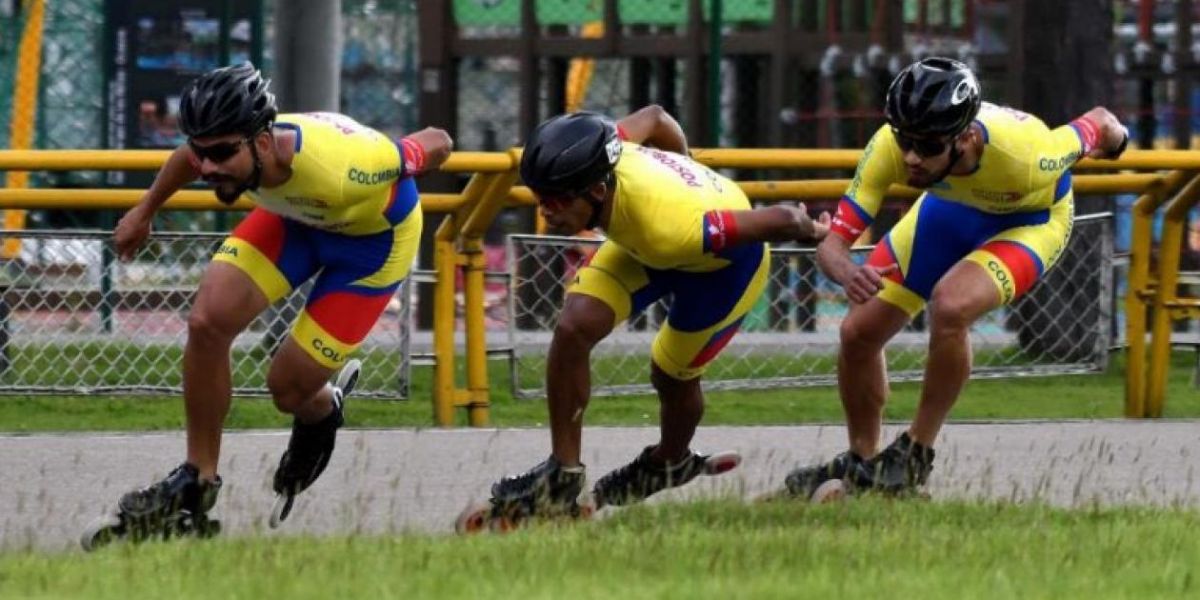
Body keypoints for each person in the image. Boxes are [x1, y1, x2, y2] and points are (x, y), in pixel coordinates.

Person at [86, 63, 452, 546]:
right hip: (298, 221)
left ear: (261, 142)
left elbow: (436, 140)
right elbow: (186, 157)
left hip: (370, 243)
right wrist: (145, 209)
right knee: (207, 323)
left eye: (221, 153)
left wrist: (429, 150)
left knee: (287, 389)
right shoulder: (221, 146)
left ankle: (322, 410)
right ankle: (198, 481)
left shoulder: (345, 166)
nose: (209, 166)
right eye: (203, 152)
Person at [783, 57, 1128, 498]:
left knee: (951, 304)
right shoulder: (892, 146)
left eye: (926, 146)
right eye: (904, 140)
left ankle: (914, 453)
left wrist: (1118, 139)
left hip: (1030, 220)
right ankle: (863, 462)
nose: (911, 157)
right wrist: (848, 273)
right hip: (949, 213)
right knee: (857, 332)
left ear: (965, 137)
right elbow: (832, 246)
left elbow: (1097, 122)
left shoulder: (1028, 154)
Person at [474, 106, 829, 524]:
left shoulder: (667, 227)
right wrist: (685, 165)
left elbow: (784, 219)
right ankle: (564, 474)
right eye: (539, 198)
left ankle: (669, 462)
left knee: (671, 374)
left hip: (723, 270)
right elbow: (657, 118)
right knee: (574, 326)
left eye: (557, 200)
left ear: (598, 192)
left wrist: (819, 231)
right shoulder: (609, 148)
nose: (546, 211)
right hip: (649, 240)